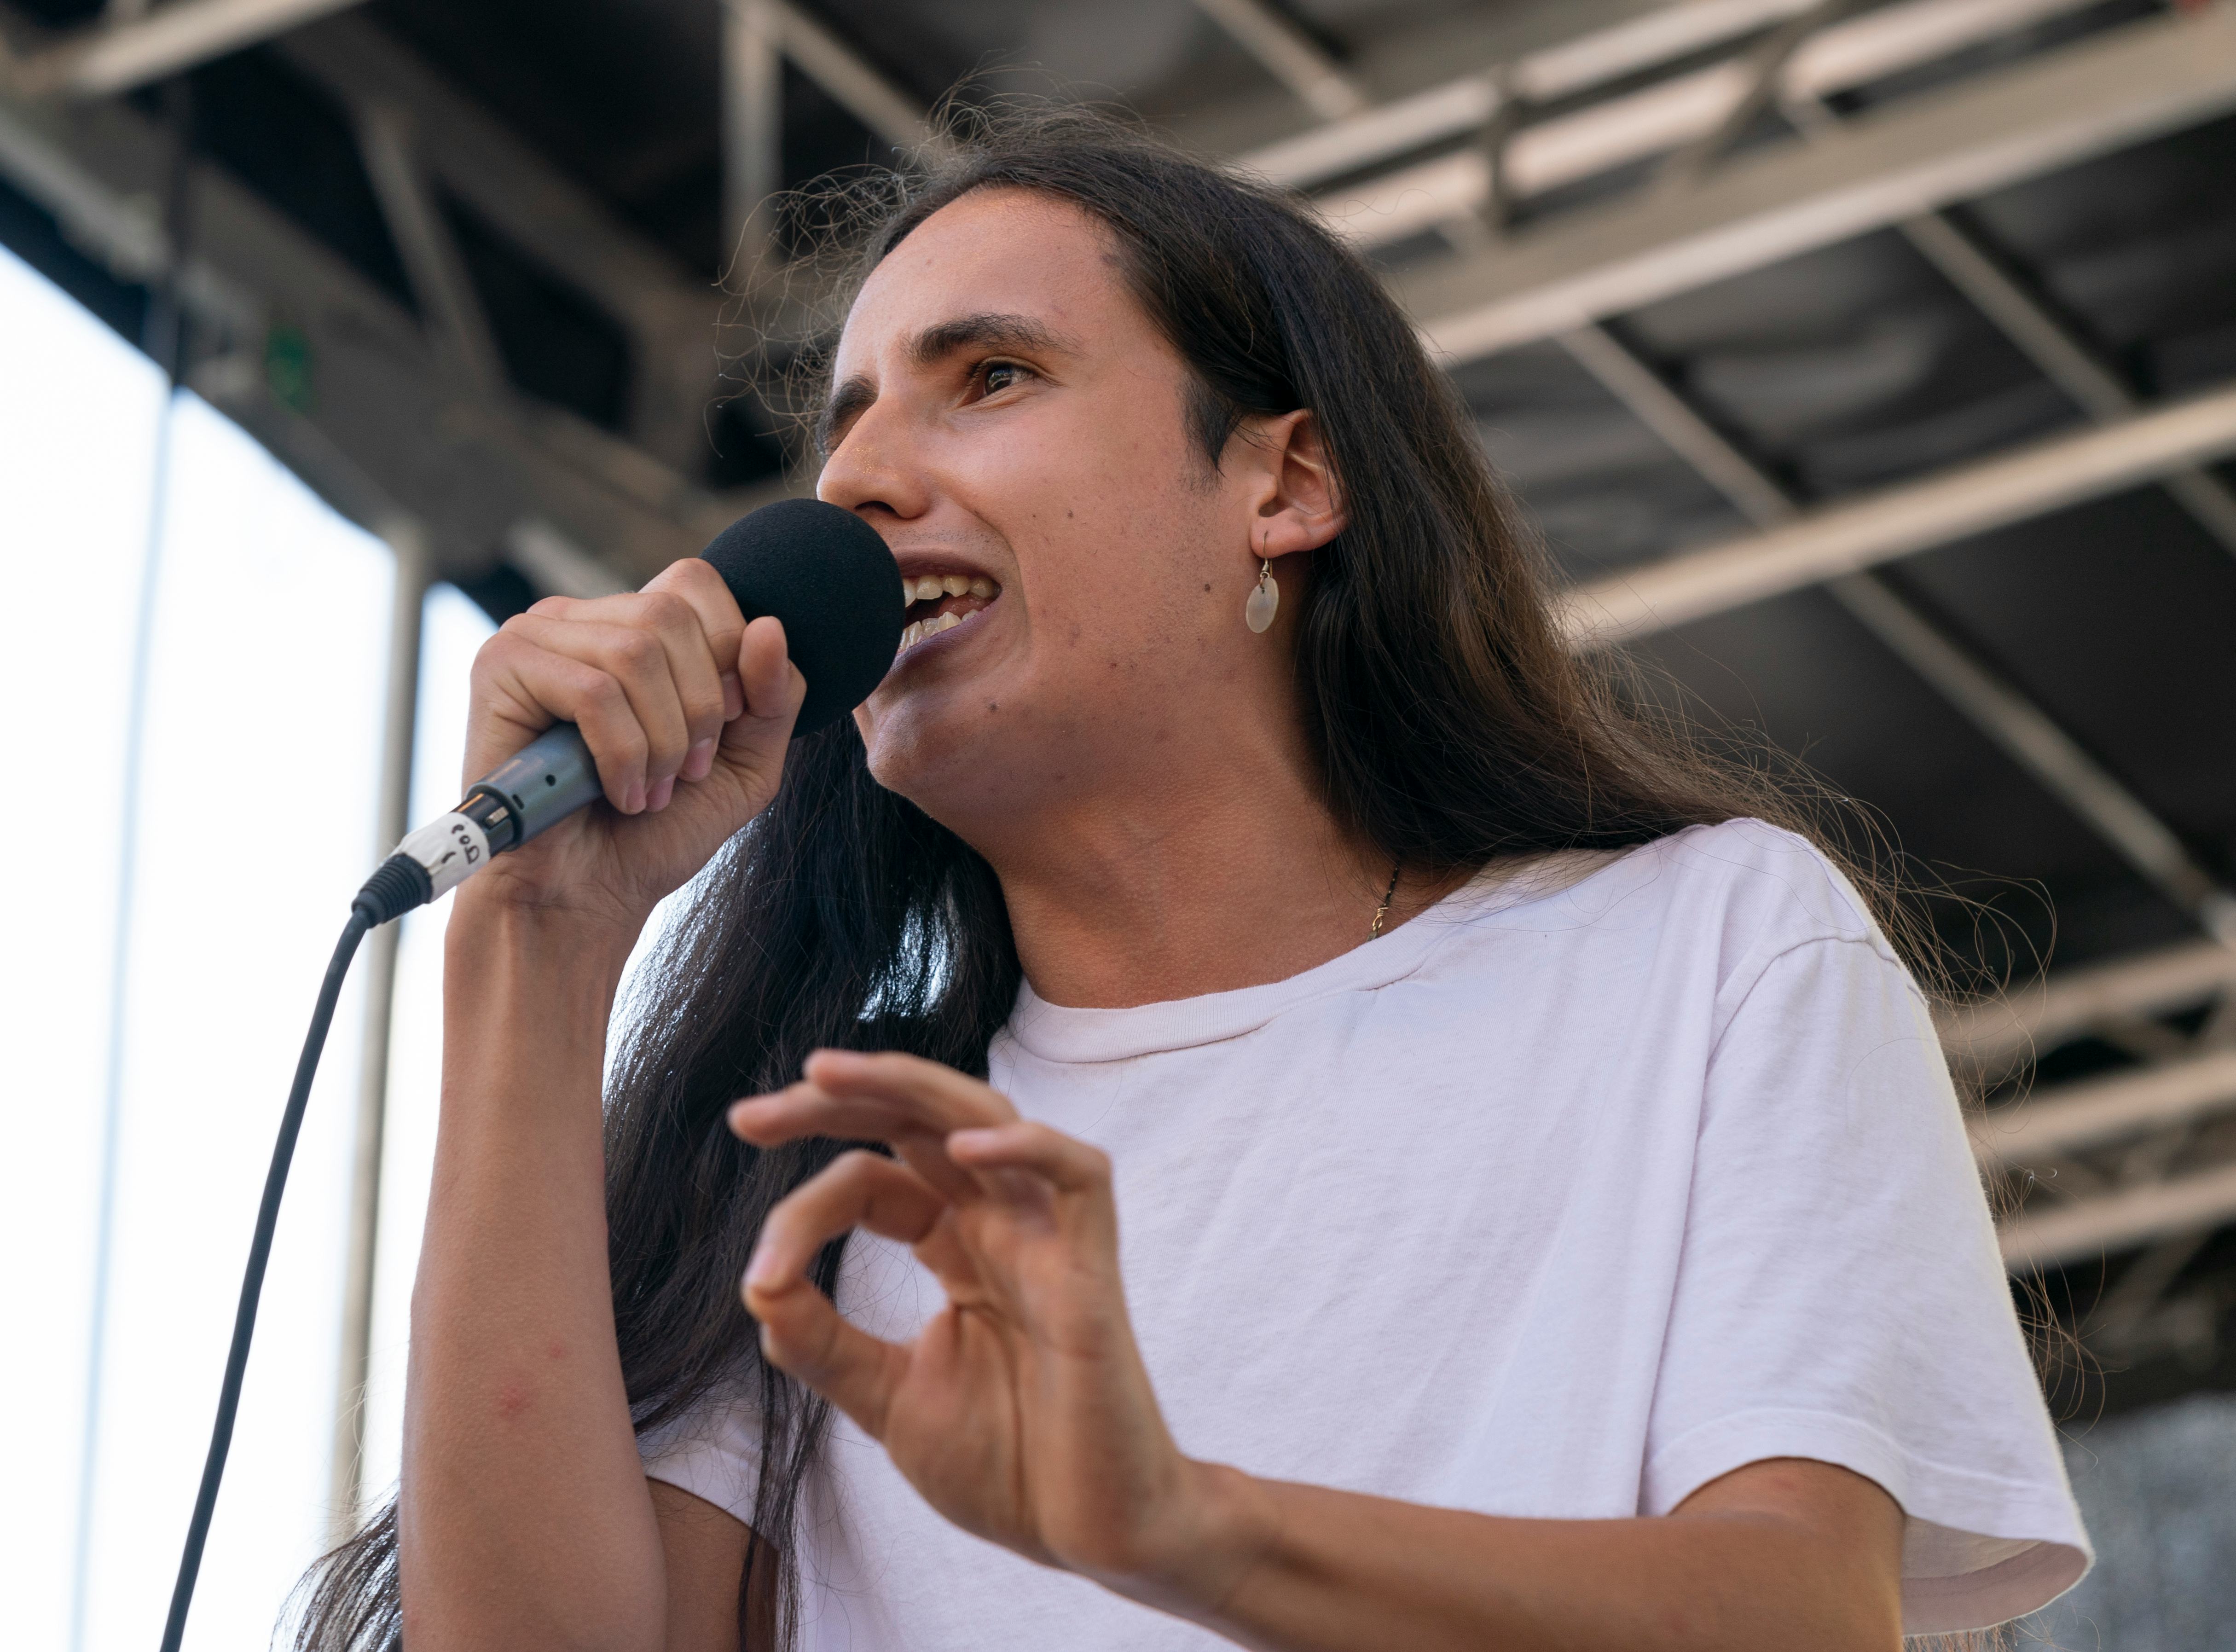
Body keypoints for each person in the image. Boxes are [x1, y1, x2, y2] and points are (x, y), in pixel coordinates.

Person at [299, 109, 2088, 1652]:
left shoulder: (1705, 946)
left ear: (1284, 484)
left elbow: (1807, 1614)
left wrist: (1176, 1525)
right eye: (843, 426)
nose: (855, 478)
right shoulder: (836, 1144)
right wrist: (534, 947)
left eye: (988, 378)